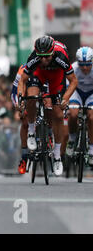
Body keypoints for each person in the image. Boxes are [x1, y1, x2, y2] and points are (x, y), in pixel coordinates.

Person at [16, 36, 78, 176]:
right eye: (41, 56)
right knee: (31, 97)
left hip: (56, 77)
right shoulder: (35, 57)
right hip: (38, 74)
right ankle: (31, 131)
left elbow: (73, 81)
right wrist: (21, 98)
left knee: (57, 114)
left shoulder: (61, 56)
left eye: (47, 56)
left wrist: (66, 98)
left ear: (53, 52)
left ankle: (57, 156)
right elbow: (22, 81)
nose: (43, 60)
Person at [67, 47, 93, 166]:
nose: (85, 68)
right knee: (73, 114)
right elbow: (68, 88)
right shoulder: (73, 68)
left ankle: (92, 150)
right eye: (82, 64)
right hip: (76, 92)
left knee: (91, 118)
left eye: (88, 64)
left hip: (91, 94)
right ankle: (72, 140)